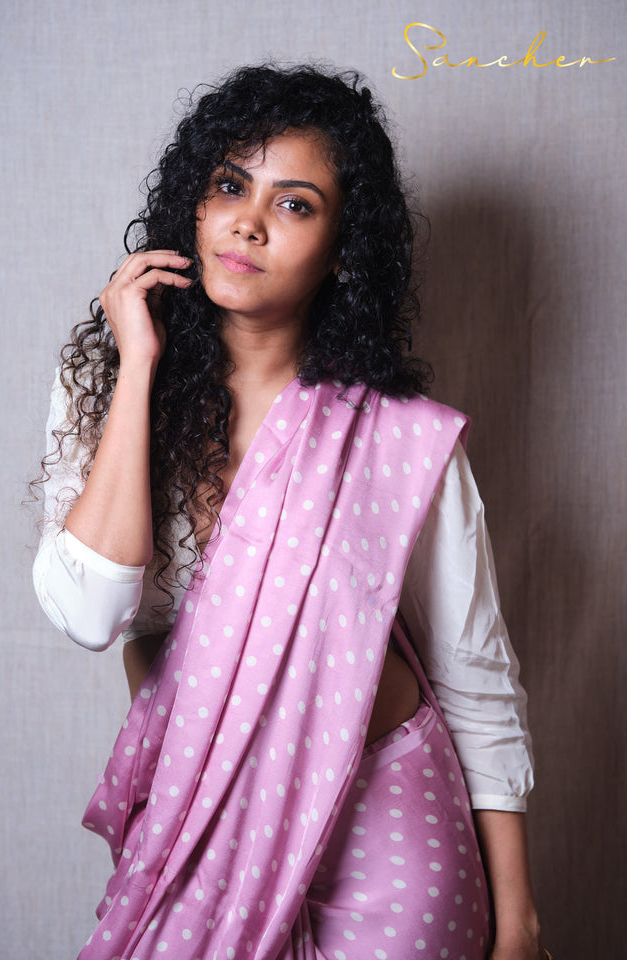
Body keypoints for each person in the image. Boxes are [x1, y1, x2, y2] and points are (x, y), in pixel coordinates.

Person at [33, 64, 546, 960]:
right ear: (193, 205)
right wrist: (139, 370)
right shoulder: (105, 391)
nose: (250, 221)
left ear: (343, 248)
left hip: (387, 825)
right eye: (231, 184)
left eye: (296, 203)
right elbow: (91, 614)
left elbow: (475, 676)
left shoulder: (397, 438)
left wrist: (519, 923)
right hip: (200, 823)